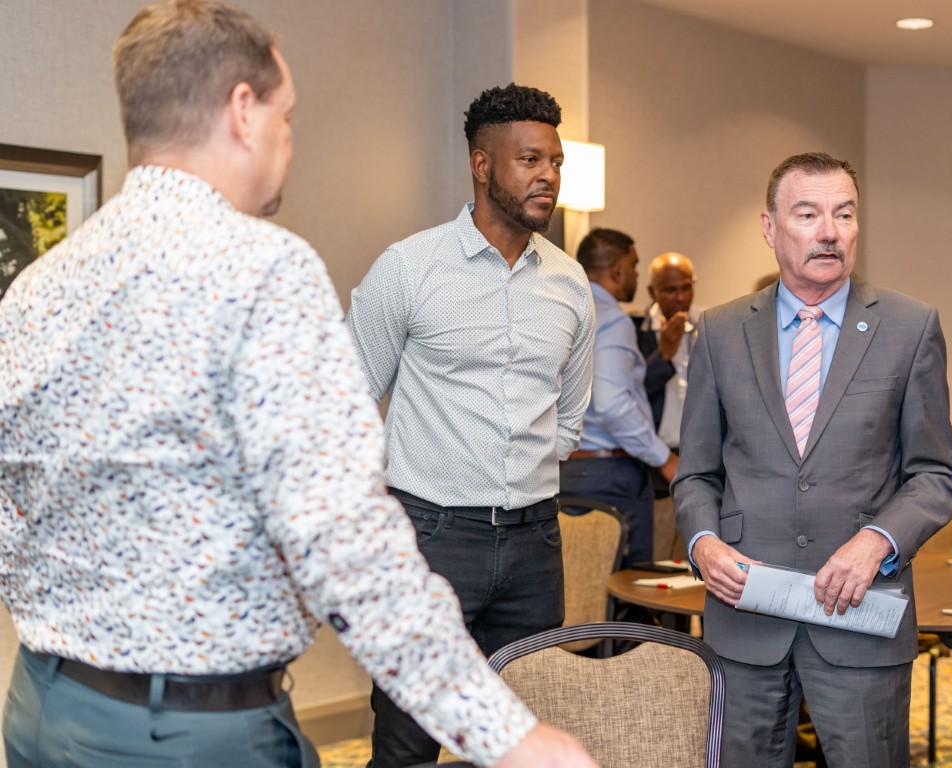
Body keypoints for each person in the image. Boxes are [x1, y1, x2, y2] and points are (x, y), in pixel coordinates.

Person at [0, 4, 597, 768]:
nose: (289, 139)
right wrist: (506, 733)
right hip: (194, 737)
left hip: (42, 707)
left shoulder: (40, 284)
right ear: (242, 112)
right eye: (287, 117)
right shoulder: (264, 272)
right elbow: (343, 537)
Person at [673, 151, 952, 767]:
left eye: (844, 214)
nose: (829, 231)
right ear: (770, 228)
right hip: (745, 621)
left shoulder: (910, 327)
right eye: (808, 214)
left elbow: (936, 475)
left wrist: (879, 541)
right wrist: (702, 542)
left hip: (861, 619)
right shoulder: (720, 331)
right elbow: (696, 472)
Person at [345, 83, 596, 767]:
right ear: (482, 166)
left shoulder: (570, 283)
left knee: (522, 738)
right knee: (407, 741)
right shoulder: (409, 268)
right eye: (529, 159)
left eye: (555, 161)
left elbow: (570, 415)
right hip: (431, 539)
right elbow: (345, 405)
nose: (547, 176)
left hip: (535, 544)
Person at [561, 228, 677, 568]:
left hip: (567, 470)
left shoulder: (566, 310)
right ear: (617, 270)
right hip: (612, 475)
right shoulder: (612, 319)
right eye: (634, 266)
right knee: (625, 588)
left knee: (578, 584)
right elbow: (612, 404)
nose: (637, 276)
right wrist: (663, 458)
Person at [632, 251, 700, 560]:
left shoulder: (709, 325)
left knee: (696, 561)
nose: (680, 297)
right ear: (652, 292)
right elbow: (630, 394)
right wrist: (663, 355)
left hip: (699, 458)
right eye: (670, 290)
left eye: (686, 287)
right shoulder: (636, 331)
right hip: (656, 463)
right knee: (658, 559)